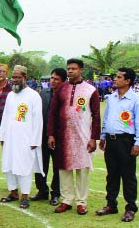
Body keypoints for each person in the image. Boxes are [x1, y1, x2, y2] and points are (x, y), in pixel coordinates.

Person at [48, 58, 101, 215]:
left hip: (83, 136)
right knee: (64, 168)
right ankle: (66, 200)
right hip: (63, 135)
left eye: (73, 68)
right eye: (68, 68)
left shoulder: (90, 90)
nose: (70, 71)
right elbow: (53, 114)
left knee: (82, 169)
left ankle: (81, 202)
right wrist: (51, 134)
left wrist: (93, 138)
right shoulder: (61, 89)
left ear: (81, 70)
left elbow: (96, 116)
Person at [95, 68, 139, 222]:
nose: (114, 79)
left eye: (118, 77)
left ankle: (130, 208)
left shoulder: (136, 100)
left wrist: (138, 143)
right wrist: (103, 136)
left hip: (126, 141)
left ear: (127, 80)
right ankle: (111, 204)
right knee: (112, 175)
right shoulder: (111, 98)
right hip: (111, 141)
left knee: (128, 176)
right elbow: (107, 118)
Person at [0, 65, 43, 209]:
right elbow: (5, 117)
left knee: (24, 167)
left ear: (25, 78)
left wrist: (35, 140)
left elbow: (38, 120)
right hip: (10, 139)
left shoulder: (33, 96)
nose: (15, 80)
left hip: (26, 139)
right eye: (13, 77)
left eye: (18, 77)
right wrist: (2, 136)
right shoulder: (10, 95)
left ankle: (25, 196)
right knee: (9, 165)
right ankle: (13, 193)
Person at [30, 68, 67, 206]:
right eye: (51, 78)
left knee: (57, 166)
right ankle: (42, 190)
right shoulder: (43, 93)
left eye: (56, 79)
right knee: (40, 164)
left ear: (63, 81)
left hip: (59, 136)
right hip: (42, 135)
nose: (52, 81)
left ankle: (55, 193)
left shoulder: (66, 95)